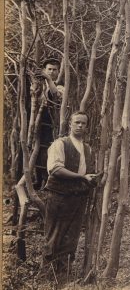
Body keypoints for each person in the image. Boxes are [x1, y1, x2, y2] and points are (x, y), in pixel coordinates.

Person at [39, 111, 98, 282]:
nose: (80, 126)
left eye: (84, 123)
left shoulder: (87, 148)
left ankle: (63, 277)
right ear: (70, 124)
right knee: (53, 238)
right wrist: (81, 177)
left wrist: (93, 178)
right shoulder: (60, 144)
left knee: (71, 239)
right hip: (59, 197)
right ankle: (46, 278)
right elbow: (55, 169)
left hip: (78, 197)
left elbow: (86, 172)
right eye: (77, 122)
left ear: (87, 126)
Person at [34, 58, 64, 190]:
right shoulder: (39, 85)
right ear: (44, 70)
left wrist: (49, 79)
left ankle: (46, 181)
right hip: (35, 121)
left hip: (50, 122)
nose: (51, 72)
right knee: (35, 149)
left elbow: (56, 95)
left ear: (58, 72)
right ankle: (37, 179)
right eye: (49, 69)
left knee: (47, 150)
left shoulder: (59, 86)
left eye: (54, 70)